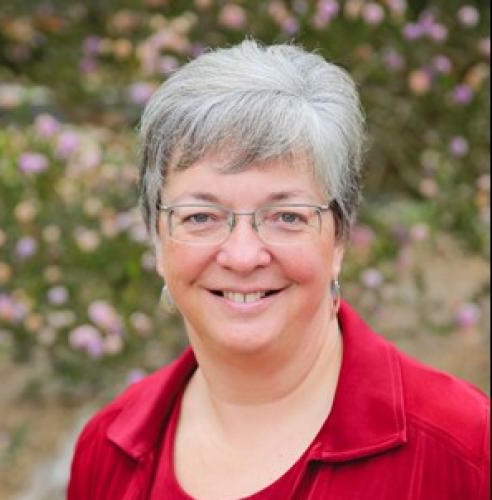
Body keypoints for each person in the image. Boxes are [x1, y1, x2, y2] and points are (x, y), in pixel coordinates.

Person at [67, 40, 489, 500]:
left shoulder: (465, 449)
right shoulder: (107, 451)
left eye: (286, 216)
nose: (243, 256)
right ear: (157, 240)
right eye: (201, 217)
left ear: (339, 238)